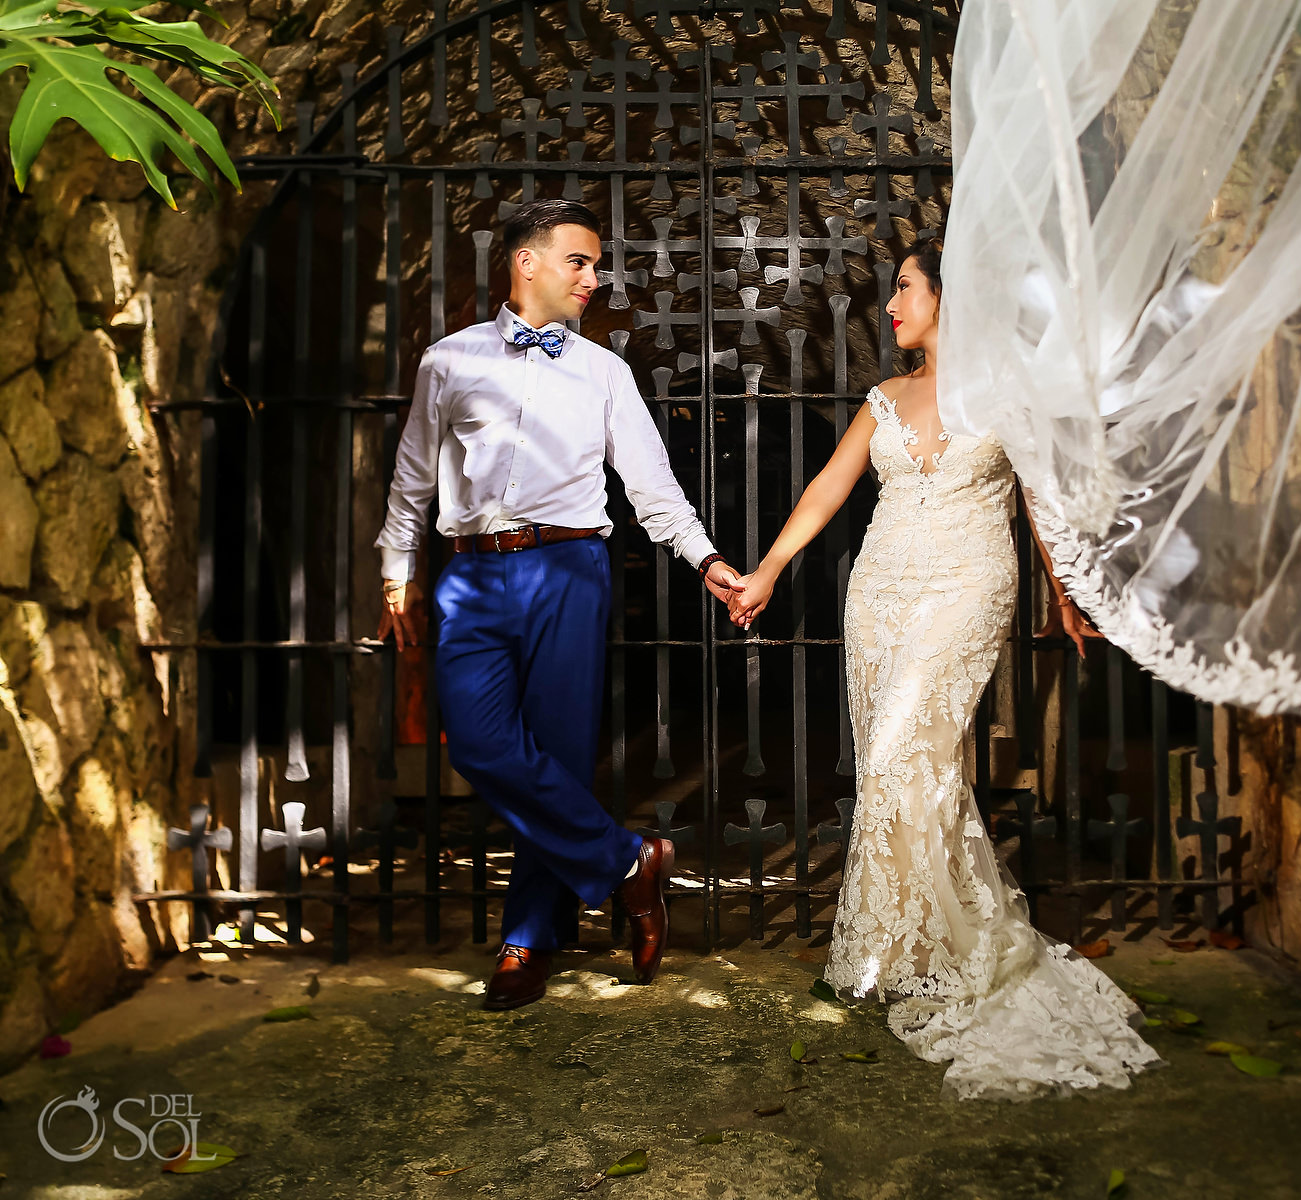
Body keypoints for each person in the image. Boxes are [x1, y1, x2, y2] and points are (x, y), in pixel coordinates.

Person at [728, 238, 1162, 1100]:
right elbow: (827, 487)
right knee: (903, 769)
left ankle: (887, 949)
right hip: (881, 592)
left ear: (948, 296)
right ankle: (904, 942)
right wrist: (770, 568)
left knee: (903, 757)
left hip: (967, 585)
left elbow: (1040, 504)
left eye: (903, 288)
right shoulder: (885, 397)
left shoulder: (1010, 398)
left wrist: (1063, 595)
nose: (891, 305)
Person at [374, 198, 744, 1010]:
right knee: (475, 743)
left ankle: (528, 938)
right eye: (579, 261)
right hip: (470, 573)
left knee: (561, 753)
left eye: (595, 263)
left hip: (571, 569)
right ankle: (626, 863)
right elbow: (410, 479)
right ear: (526, 262)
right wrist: (398, 574)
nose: (594, 277)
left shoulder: (604, 372)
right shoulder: (448, 362)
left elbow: (652, 487)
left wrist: (704, 558)